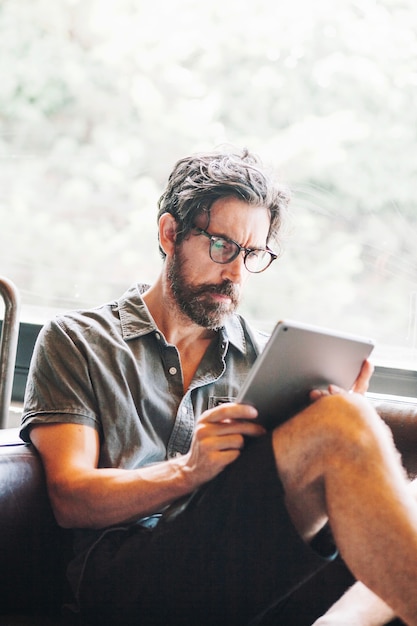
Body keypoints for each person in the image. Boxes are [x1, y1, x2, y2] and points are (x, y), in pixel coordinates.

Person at [21, 149, 417, 626]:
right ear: (170, 234)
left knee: (357, 426)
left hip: (239, 564)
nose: (235, 273)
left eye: (252, 255)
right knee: (343, 424)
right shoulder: (78, 340)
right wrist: (189, 471)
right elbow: (70, 497)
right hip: (123, 579)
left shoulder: (265, 357)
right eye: (222, 247)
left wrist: (340, 423)